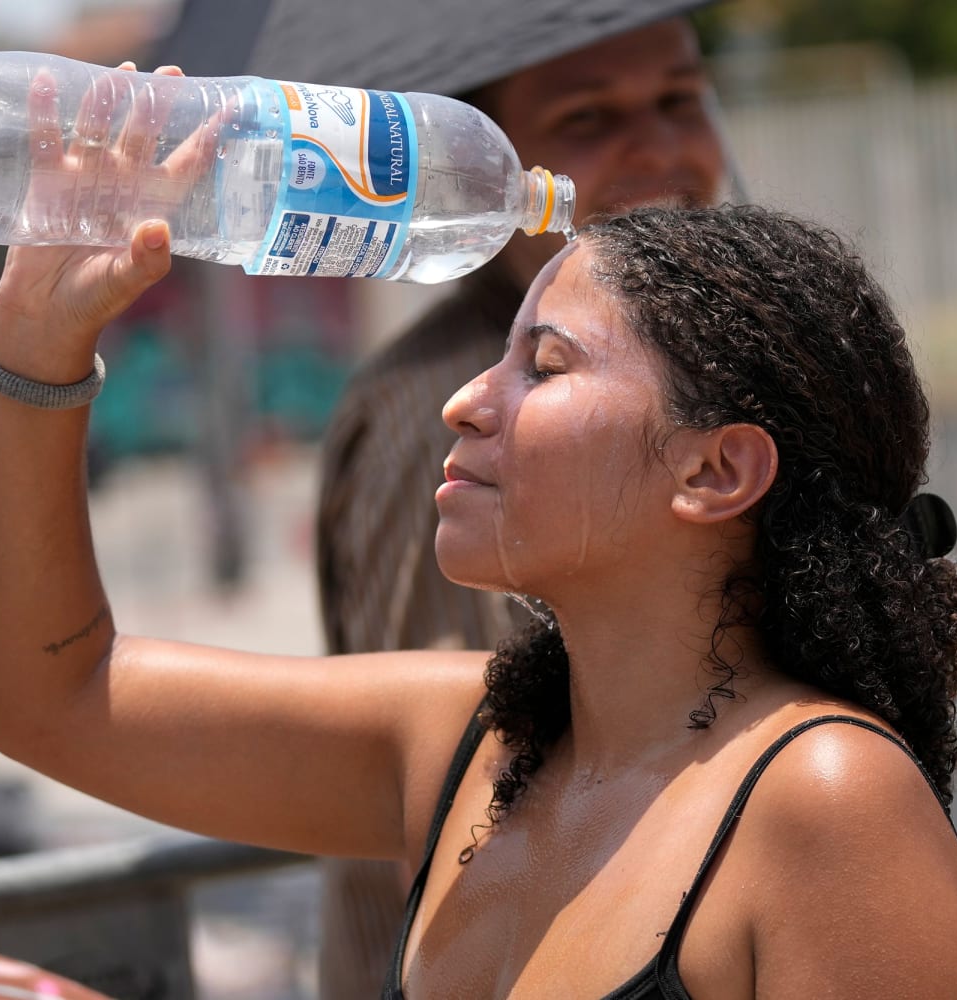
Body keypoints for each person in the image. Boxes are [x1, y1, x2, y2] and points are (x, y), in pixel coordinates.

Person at [0, 81, 957, 991]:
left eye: (542, 366)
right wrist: (36, 350)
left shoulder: (828, 807)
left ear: (714, 469)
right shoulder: (470, 742)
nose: (463, 401)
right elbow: (46, 696)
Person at [313, 19, 728, 991]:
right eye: (588, 117)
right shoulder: (444, 417)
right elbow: (471, 792)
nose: (660, 150)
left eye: (679, 98)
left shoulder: (699, 368)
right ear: (480, 161)